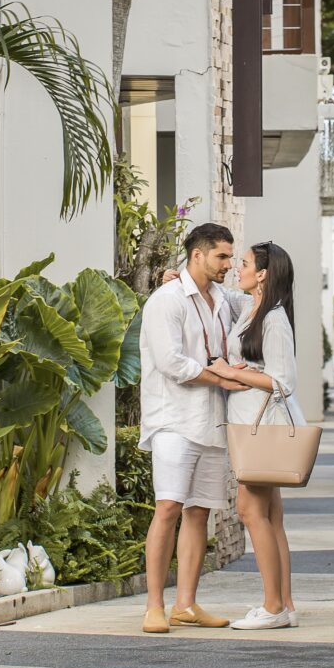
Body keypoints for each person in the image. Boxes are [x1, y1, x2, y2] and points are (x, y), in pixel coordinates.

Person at [136, 221, 251, 634]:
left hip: (211, 422)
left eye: (231, 257)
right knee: (167, 508)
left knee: (199, 512)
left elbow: (258, 302)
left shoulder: (223, 298)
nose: (228, 265)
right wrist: (219, 377)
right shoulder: (166, 300)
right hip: (173, 421)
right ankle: (154, 605)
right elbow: (171, 362)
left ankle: (185, 604)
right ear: (197, 255)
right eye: (221, 257)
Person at [208, 241, 304, 630]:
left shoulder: (274, 318)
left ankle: (272, 607)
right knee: (271, 517)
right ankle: (286, 604)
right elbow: (222, 292)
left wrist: (231, 372)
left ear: (262, 274)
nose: (236, 268)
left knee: (249, 511)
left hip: (263, 429)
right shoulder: (253, 307)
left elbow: (283, 382)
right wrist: (178, 276)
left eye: (244, 263)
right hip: (252, 424)